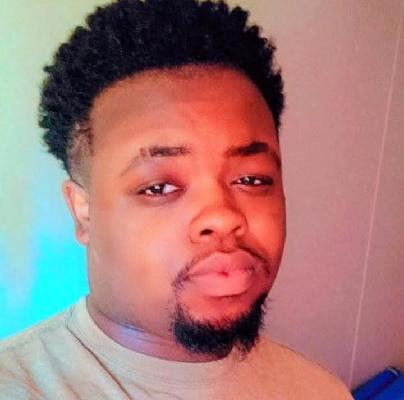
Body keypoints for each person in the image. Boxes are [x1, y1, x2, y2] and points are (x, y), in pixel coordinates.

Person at [0, 0, 353, 398]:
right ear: (83, 212)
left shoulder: (323, 391)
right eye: (159, 188)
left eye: (251, 179)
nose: (222, 216)